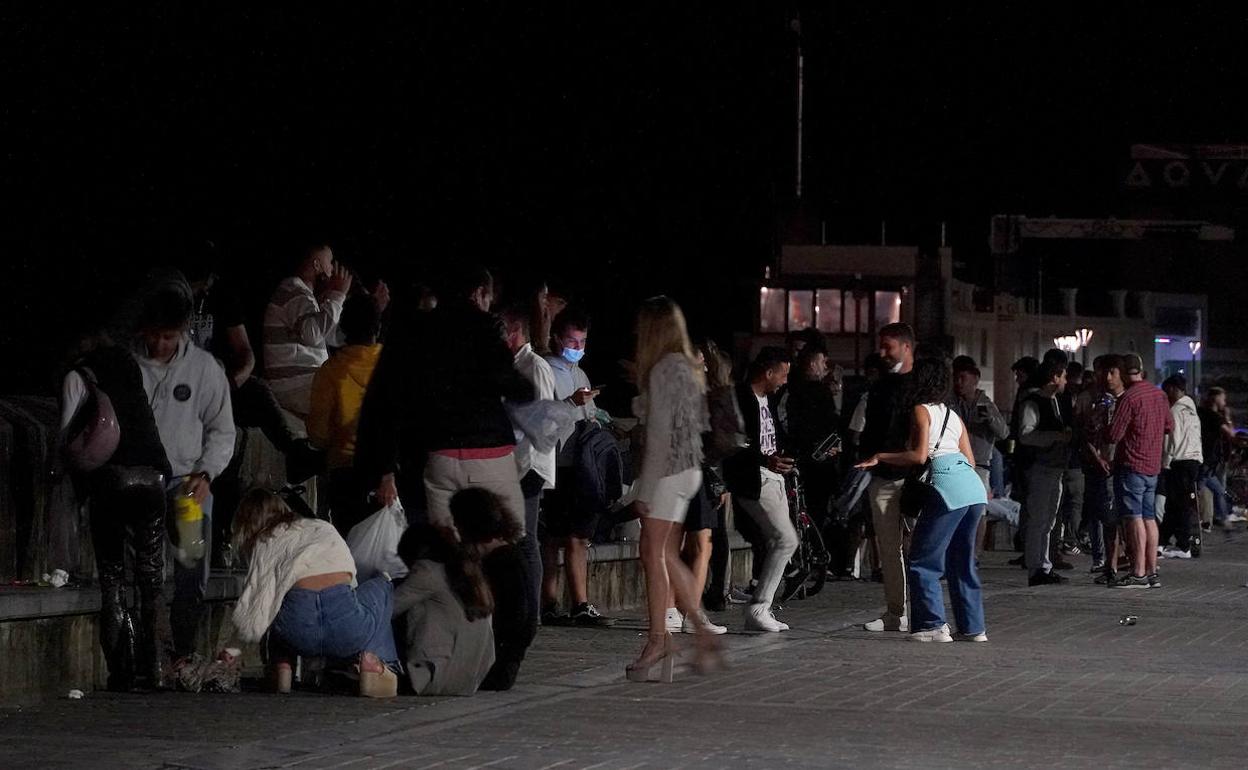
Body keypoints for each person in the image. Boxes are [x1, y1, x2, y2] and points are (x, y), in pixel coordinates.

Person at [356, 264, 535, 534]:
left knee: (447, 544)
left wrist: (384, 468)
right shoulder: (483, 327)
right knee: (503, 540)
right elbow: (513, 386)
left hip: (437, 457)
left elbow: (385, 402)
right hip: (487, 453)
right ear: (478, 293)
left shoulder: (414, 331)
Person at [131, 273, 236, 663]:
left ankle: (184, 650)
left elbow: (222, 429)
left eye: (169, 337)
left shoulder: (204, 369)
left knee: (192, 560)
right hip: (137, 480)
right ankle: (144, 651)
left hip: (185, 481)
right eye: (154, 335)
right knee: (140, 570)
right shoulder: (128, 364)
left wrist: (206, 472)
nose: (160, 344)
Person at [60, 338, 172, 690]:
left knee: (112, 577)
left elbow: (67, 436)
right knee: (151, 577)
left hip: (111, 478)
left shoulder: (79, 376)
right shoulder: (131, 368)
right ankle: (157, 668)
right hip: (152, 477)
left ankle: (122, 670)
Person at [856, 358, 988, 642]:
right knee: (961, 562)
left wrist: (881, 456)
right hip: (973, 490)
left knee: (923, 559)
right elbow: (970, 459)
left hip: (946, 488)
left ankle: (931, 625)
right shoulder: (953, 415)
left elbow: (919, 455)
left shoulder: (921, 410)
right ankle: (973, 628)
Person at [229, 489, 398, 697]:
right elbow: (351, 581)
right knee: (383, 585)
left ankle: (282, 666)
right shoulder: (322, 527)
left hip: (298, 635)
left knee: (277, 603)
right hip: (346, 630)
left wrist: (232, 649)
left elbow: (257, 605)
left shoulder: (264, 542)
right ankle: (375, 663)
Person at [627, 297, 719, 681]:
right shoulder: (688, 367)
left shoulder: (663, 368)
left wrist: (644, 490)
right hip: (689, 470)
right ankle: (696, 630)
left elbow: (659, 435)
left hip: (667, 471)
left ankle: (658, 640)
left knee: (653, 554)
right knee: (665, 553)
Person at [394, 489, 523, 696]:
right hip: (472, 678)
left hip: (434, 675)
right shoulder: (469, 568)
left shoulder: (429, 571)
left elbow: (389, 609)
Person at [539, 309, 614, 627]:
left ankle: (580, 603)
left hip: (581, 464)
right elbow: (543, 417)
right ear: (557, 339)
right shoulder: (546, 370)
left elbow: (589, 413)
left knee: (578, 536)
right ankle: (548, 602)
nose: (577, 347)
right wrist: (571, 404)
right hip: (557, 462)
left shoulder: (580, 373)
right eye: (572, 341)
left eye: (582, 342)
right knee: (554, 537)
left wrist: (595, 415)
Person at [723, 347, 798, 633]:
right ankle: (759, 607)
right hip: (755, 478)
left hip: (773, 477)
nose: (785, 381)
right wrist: (765, 460)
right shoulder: (741, 398)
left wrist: (785, 458)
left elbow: (773, 435)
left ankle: (760, 606)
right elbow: (734, 443)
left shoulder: (769, 400)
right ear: (768, 373)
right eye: (783, 374)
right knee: (785, 539)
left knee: (782, 540)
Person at [500, 301, 556, 645]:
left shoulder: (534, 366)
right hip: (516, 461)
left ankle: (531, 613)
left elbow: (539, 416)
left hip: (529, 462)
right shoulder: (516, 364)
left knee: (526, 540)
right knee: (519, 539)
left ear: (516, 331)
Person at [307, 294, 384, 537]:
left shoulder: (330, 371)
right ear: (378, 327)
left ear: (343, 328)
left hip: (344, 474)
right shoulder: (392, 366)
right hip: (386, 472)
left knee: (348, 546)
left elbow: (318, 435)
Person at [858, 323, 917, 632]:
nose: (882, 353)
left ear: (906, 347)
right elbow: (870, 428)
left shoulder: (921, 385)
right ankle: (896, 611)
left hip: (917, 475)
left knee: (920, 547)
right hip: (883, 475)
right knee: (889, 548)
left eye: (888, 347)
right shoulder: (880, 386)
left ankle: (925, 612)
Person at [262, 241, 353, 419]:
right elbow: (312, 334)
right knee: (353, 404)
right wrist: (338, 295)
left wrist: (371, 312)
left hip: (305, 383)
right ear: (317, 265)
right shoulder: (293, 290)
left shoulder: (305, 296)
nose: (332, 269)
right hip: (295, 386)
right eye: (330, 262)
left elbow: (334, 337)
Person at [1106, 353, 1173, 589]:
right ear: (1141, 370)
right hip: (1153, 466)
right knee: (1149, 517)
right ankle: (1152, 572)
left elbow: (1114, 434)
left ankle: (1138, 573)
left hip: (1132, 464)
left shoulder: (1129, 398)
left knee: (1134, 518)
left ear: (1124, 373)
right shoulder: (1159, 394)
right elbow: (1169, 426)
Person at [1017, 360, 1072, 586]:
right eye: (1064, 376)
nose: (1066, 381)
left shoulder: (1055, 401)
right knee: (1039, 519)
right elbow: (1026, 435)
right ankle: (1035, 568)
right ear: (1054, 377)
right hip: (1040, 467)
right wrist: (1056, 437)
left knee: (1049, 519)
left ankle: (1044, 565)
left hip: (1055, 467)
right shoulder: (1034, 402)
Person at [1159, 375, 1203, 559]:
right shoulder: (1192, 410)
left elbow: (1172, 440)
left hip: (1179, 461)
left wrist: (1164, 463)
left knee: (1178, 505)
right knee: (1176, 504)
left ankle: (1184, 545)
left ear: (1172, 389)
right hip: (1194, 460)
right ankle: (1161, 542)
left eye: (1166, 391)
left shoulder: (1175, 411)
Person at [1198, 387, 1235, 528]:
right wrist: (1228, 417)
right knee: (1198, 490)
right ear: (1216, 398)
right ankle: (1197, 521)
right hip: (1207, 460)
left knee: (1218, 491)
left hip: (1205, 460)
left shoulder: (1201, 412)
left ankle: (1223, 519)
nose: (1224, 402)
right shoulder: (1215, 417)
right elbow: (1230, 434)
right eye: (1223, 399)